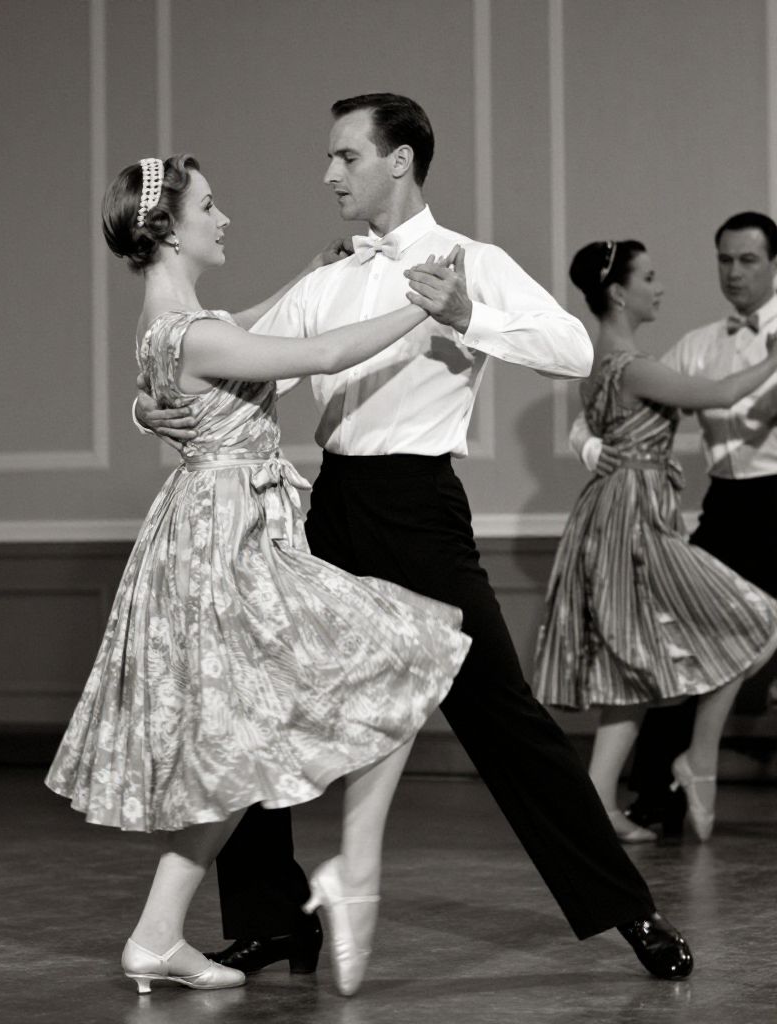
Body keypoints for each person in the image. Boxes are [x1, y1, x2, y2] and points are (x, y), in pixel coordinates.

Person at [136, 93, 694, 981]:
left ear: (399, 161)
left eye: (346, 156)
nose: (329, 174)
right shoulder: (329, 276)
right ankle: (274, 922)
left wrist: (471, 316)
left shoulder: (473, 261)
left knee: (501, 715)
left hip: (420, 507)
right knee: (259, 709)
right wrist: (150, 406)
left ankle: (630, 910)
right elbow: (224, 357)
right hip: (329, 507)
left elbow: (573, 351)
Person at [46, 154, 473, 997]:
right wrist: (419, 306)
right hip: (227, 542)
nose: (224, 218)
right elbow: (321, 350)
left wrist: (307, 274)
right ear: (170, 230)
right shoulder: (194, 333)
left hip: (215, 530)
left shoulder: (171, 323)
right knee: (410, 647)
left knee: (240, 750)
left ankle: (156, 935)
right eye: (209, 206)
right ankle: (353, 871)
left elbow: (240, 328)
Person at [534, 239, 777, 846]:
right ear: (619, 292)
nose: (659, 286)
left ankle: (597, 803)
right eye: (648, 276)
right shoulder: (633, 367)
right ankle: (698, 756)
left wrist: (591, 445)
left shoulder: (605, 363)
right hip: (632, 517)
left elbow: (597, 425)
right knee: (758, 618)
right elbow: (721, 395)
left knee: (632, 666)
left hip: (620, 509)